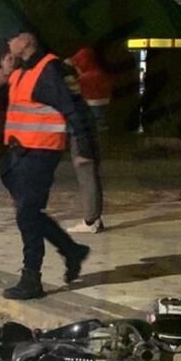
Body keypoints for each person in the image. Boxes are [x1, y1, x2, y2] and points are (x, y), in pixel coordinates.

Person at [0, 30, 95, 300]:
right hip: (17, 153)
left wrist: (82, 146)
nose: (7, 44)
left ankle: (31, 277)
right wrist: (3, 71)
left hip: (41, 152)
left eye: (10, 39)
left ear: (25, 41)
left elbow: (72, 108)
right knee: (30, 212)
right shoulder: (24, 69)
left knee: (26, 213)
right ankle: (71, 250)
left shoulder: (49, 69)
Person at [63, 49, 106, 234]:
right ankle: (95, 217)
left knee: (86, 177)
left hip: (83, 133)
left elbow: (72, 98)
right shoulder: (102, 77)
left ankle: (90, 220)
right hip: (98, 131)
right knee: (93, 176)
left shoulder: (86, 80)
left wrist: (67, 66)